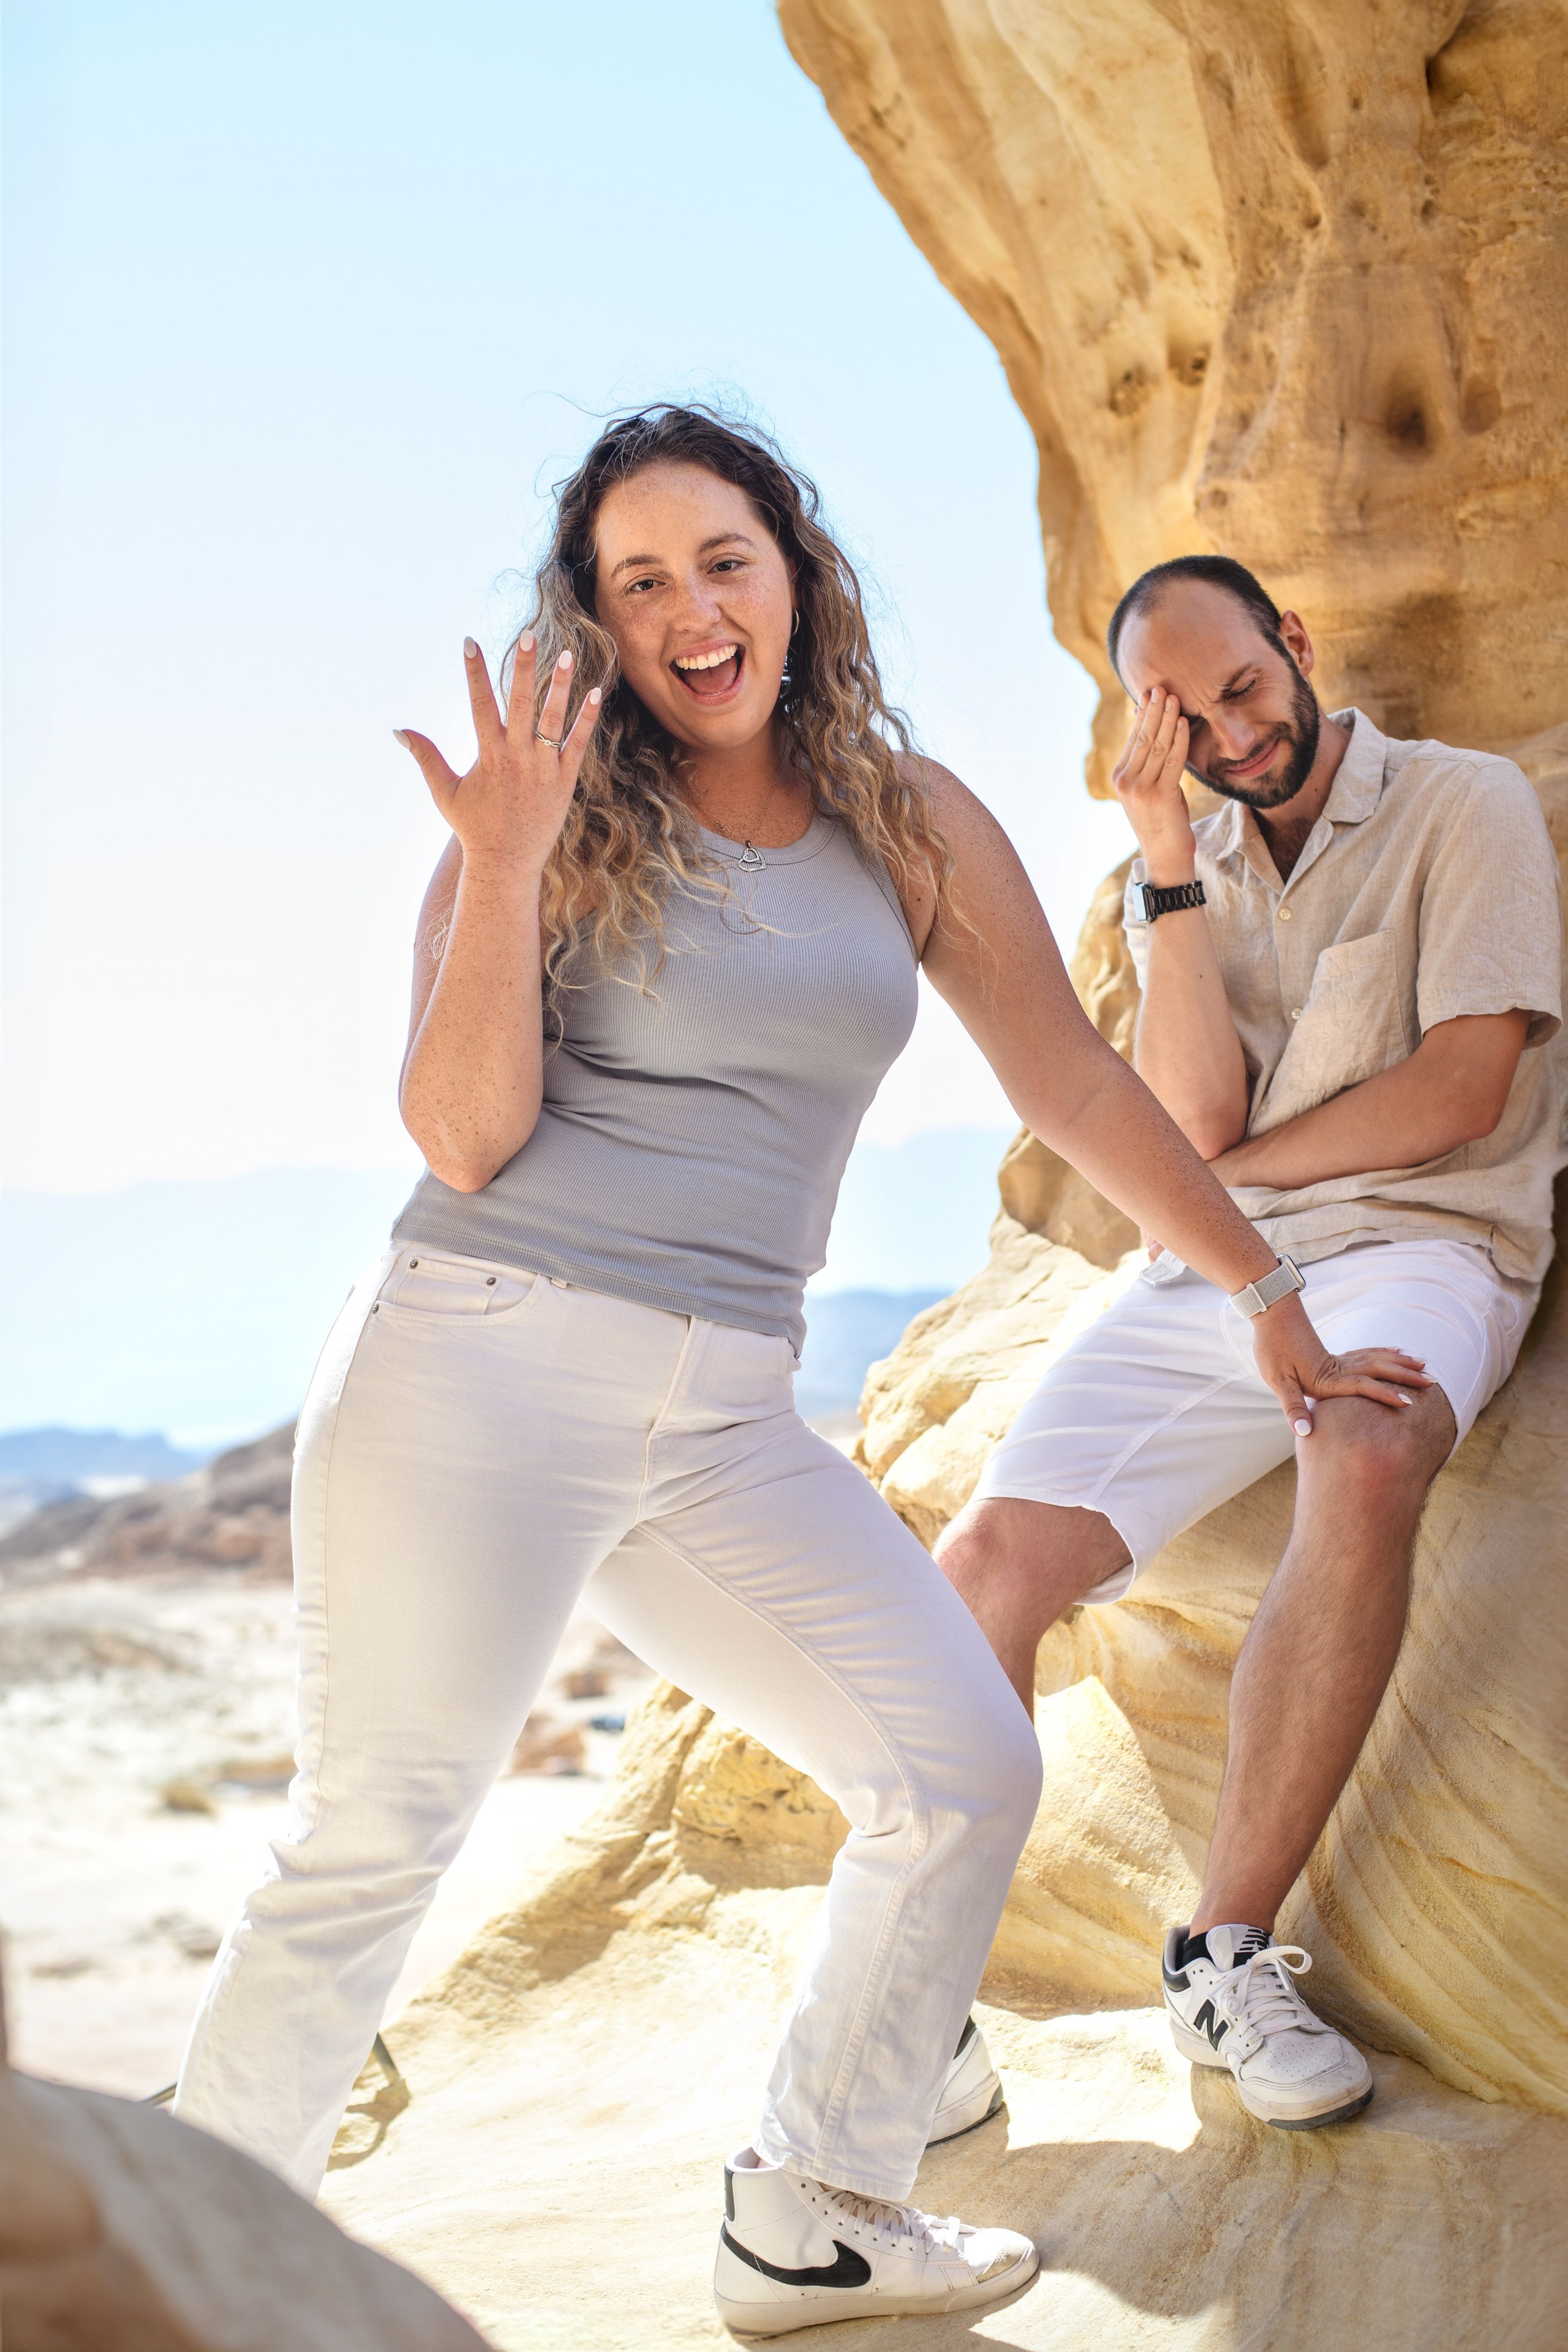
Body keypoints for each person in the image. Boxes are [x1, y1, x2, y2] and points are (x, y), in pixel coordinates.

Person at [172, 420, 1418, 2333]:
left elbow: (1072, 1085)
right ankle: (179, 2274)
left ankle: (818, 2199)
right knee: (375, 1840)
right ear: (594, 620)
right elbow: (460, 1131)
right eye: (642, 579)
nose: (694, 609)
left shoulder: (900, 816)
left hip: (725, 1419)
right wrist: (500, 866)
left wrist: (1259, 1288)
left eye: (726, 559)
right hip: (479, 1374)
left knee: (957, 1760)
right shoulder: (552, 813)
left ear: (797, 576)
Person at [938, 553, 1563, 2135]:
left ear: (1296, 644)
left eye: (1246, 690)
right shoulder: (1193, 853)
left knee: (1365, 1443)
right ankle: (915, 1999)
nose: (1234, 736)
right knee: (987, 1563)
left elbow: (1464, 1091)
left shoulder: (1463, 804)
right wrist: (1165, 864)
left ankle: (1222, 1956)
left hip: (1421, 1247)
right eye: (1189, 721)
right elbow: (1193, 1114)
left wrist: (1222, 1188)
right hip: (1222, 1274)